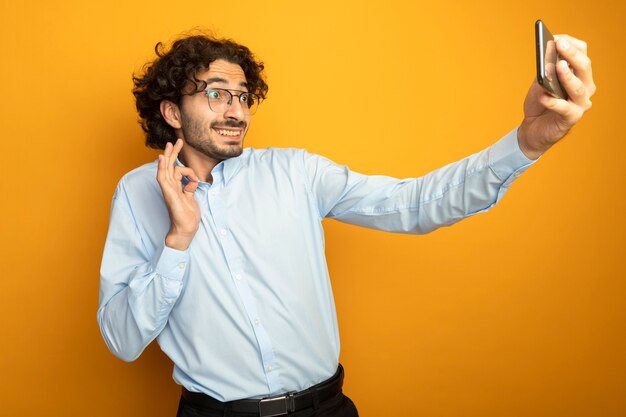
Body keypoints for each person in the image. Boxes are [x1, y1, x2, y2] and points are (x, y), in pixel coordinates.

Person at [97, 32, 595, 417]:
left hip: (326, 409)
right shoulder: (136, 194)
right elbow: (121, 340)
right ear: (171, 111)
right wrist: (178, 241)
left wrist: (527, 142)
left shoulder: (296, 171)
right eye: (217, 94)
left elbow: (415, 203)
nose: (236, 111)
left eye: (244, 96)